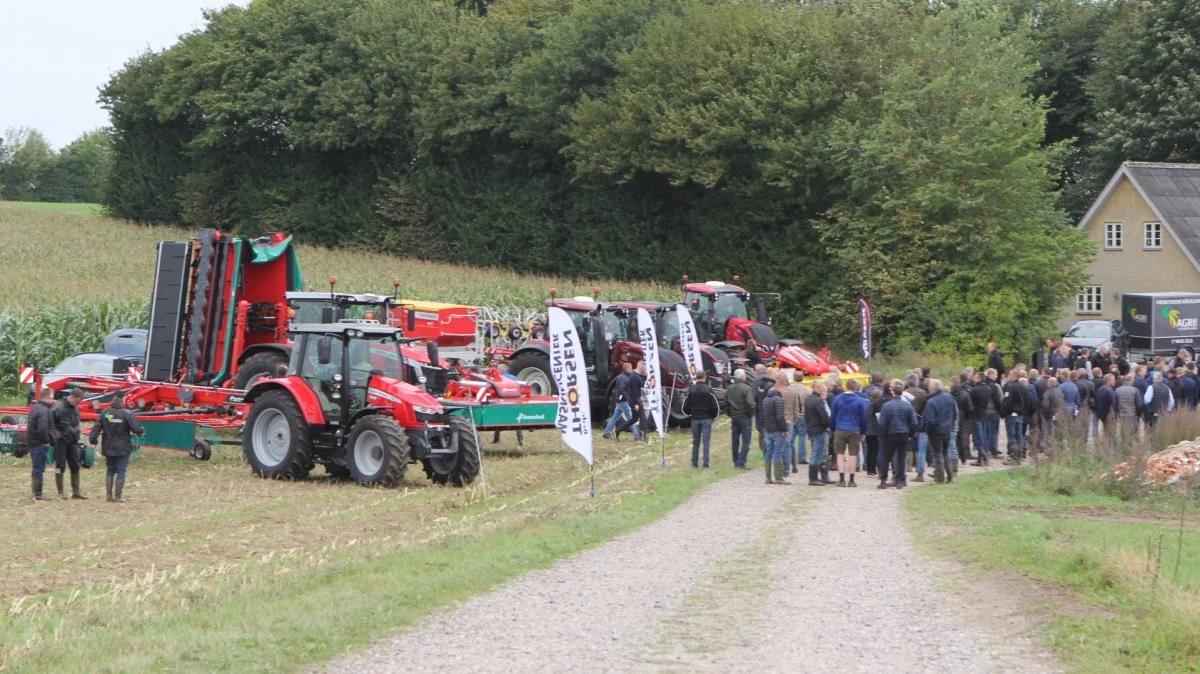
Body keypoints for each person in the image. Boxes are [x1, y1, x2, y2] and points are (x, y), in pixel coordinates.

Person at [88, 390, 145, 503]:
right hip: (123, 447)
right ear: (122, 399)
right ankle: (118, 497)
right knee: (121, 471)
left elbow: (96, 429)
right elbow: (136, 429)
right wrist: (141, 431)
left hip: (108, 446)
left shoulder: (105, 412)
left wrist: (93, 440)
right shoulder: (127, 413)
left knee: (110, 470)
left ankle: (109, 496)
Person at [878, 380, 919, 489]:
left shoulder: (887, 406)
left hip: (891, 434)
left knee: (887, 458)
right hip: (904, 434)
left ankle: (883, 480)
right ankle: (900, 480)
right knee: (901, 457)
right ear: (902, 393)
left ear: (893, 392)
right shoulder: (907, 406)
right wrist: (911, 434)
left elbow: (882, 423)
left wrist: (883, 435)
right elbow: (914, 422)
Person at [829, 378, 868, 487]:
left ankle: (841, 479)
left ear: (846, 386)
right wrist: (863, 432)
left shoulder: (837, 399)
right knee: (853, 454)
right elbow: (863, 418)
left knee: (840, 454)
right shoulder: (859, 400)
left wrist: (832, 429)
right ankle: (851, 479)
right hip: (854, 429)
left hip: (840, 429)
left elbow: (833, 416)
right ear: (855, 388)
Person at [53, 388, 87, 499]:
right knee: (60, 464)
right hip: (61, 439)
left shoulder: (75, 408)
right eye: (76, 401)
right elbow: (49, 421)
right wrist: (54, 432)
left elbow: (75, 423)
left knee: (75, 464)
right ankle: (60, 492)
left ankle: (76, 492)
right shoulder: (59, 406)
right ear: (71, 396)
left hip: (73, 440)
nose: (77, 404)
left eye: (79, 402)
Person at [682, 370, 720, 468]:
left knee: (696, 441)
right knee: (706, 441)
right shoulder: (709, 390)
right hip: (706, 418)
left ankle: (694, 463)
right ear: (705, 377)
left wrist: (690, 414)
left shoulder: (691, 390)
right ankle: (706, 464)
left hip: (694, 419)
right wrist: (714, 417)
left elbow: (685, 406)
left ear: (696, 377)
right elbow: (715, 405)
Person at [922, 379, 956, 483]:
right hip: (947, 429)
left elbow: (930, 421)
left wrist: (927, 430)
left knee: (938, 454)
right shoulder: (949, 397)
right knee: (945, 453)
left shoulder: (931, 402)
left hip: (936, 431)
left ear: (933, 388)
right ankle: (950, 476)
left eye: (929, 386)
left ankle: (940, 478)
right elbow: (954, 414)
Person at [25, 387, 56, 501]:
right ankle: (38, 493)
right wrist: (46, 441)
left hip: (33, 442)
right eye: (52, 398)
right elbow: (42, 429)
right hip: (39, 443)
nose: (53, 401)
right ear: (47, 397)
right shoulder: (43, 410)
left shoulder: (36, 407)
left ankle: (36, 492)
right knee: (39, 467)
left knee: (37, 467)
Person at [761, 374, 791, 485]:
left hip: (768, 430)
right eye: (785, 388)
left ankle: (768, 477)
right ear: (780, 387)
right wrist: (784, 429)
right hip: (778, 431)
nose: (786, 391)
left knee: (769, 452)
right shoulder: (778, 400)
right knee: (777, 452)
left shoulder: (766, 400)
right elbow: (780, 416)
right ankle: (779, 477)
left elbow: (763, 416)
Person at [968, 372, 1000, 466]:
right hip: (984, 413)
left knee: (978, 437)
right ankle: (984, 455)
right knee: (985, 436)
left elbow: (970, 402)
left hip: (976, 415)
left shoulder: (974, 390)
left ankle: (981, 457)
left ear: (978, 378)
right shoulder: (988, 388)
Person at [725, 368, 755, 468]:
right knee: (746, 441)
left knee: (735, 440)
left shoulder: (730, 388)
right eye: (745, 375)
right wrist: (750, 414)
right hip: (745, 417)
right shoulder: (746, 388)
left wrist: (730, 413)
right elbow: (750, 404)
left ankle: (736, 460)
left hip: (734, 417)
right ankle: (741, 462)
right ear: (742, 377)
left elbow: (726, 404)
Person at [902, 374, 929, 481]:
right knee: (919, 443)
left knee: (908, 442)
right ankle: (918, 465)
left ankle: (908, 465)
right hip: (920, 421)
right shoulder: (923, 393)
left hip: (907, 421)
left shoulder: (905, 394)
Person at [804, 380, 831, 486]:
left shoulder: (809, 399)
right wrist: (828, 424)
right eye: (823, 389)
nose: (825, 391)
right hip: (819, 429)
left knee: (816, 453)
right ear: (818, 389)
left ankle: (816, 477)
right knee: (817, 454)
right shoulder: (818, 401)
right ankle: (813, 478)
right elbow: (824, 416)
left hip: (811, 429)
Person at [1002, 370, 1031, 464]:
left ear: (1013, 375)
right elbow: (1028, 401)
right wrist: (1023, 411)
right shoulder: (1023, 387)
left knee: (1011, 435)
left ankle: (1013, 457)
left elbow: (1007, 401)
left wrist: (1004, 412)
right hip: (1020, 414)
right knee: (1019, 435)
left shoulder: (1011, 386)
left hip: (1011, 414)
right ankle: (1019, 456)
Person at [783, 372, 809, 473]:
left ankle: (789, 458)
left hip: (791, 415)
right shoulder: (807, 390)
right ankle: (801, 457)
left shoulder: (789, 389)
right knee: (802, 436)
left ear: (793, 378)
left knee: (791, 438)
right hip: (803, 415)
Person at [602, 363, 633, 440]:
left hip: (619, 400)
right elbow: (622, 389)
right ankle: (637, 434)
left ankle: (606, 433)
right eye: (630, 368)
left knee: (614, 418)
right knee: (630, 418)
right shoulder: (624, 378)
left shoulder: (621, 377)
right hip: (623, 401)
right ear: (626, 369)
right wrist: (627, 398)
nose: (631, 370)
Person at [950, 375, 974, 464]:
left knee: (952, 438)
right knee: (961, 438)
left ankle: (953, 458)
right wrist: (967, 417)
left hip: (952, 418)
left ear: (952, 382)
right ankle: (963, 458)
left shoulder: (949, 394)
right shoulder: (965, 394)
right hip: (962, 417)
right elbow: (970, 408)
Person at [1114, 374, 1142, 444]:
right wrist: (1139, 414)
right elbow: (1139, 404)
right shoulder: (1135, 390)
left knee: (1123, 430)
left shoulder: (1117, 390)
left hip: (1122, 414)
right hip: (1132, 413)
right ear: (1131, 381)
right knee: (1132, 431)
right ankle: (1130, 446)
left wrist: (1117, 413)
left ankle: (1124, 445)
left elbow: (1115, 403)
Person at [1041, 377, 1066, 452]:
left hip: (1051, 415)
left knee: (1050, 433)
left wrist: (1044, 415)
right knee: (1059, 433)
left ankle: (1051, 451)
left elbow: (1045, 405)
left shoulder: (1047, 393)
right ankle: (1060, 449)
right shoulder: (1060, 392)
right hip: (1060, 414)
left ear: (1049, 383)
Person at [864, 387, 884, 476]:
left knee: (870, 450)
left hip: (868, 430)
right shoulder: (876, 406)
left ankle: (869, 469)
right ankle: (872, 470)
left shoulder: (869, 404)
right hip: (874, 431)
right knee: (874, 450)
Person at [1094, 374, 1116, 450]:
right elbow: (1113, 404)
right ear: (1108, 381)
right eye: (1113, 380)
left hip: (1101, 414)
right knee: (1111, 433)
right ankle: (1110, 448)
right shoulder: (1109, 391)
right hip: (1109, 415)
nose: (1114, 381)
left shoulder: (1100, 389)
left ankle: (1104, 446)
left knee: (1105, 431)